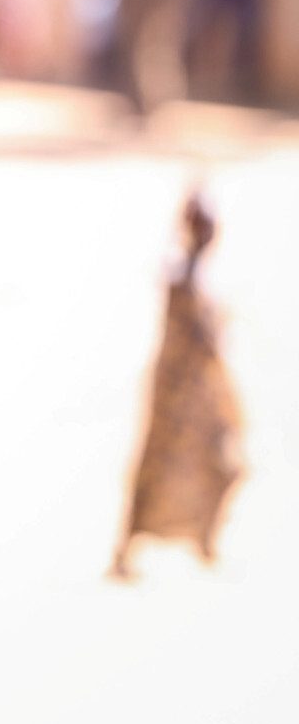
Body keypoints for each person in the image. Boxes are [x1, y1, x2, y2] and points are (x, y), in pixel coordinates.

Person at [111, 191, 244, 578]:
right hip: (180, 396)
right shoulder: (182, 280)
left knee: (220, 466)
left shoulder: (193, 277)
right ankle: (132, 550)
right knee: (159, 470)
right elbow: (187, 339)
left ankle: (204, 538)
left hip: (199, 393)